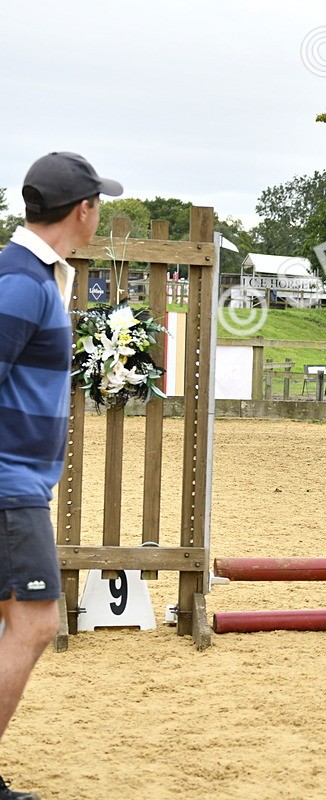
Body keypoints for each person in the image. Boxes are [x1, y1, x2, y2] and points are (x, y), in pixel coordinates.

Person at [0, 152, 122, 800]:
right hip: (9, 487)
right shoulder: (23, 281)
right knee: (36, 623)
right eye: (99, 203)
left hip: (16, 484)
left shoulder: (34, 276)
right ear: (83, 210)